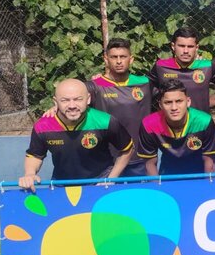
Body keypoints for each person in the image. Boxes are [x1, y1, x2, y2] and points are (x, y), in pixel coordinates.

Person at [43, 38, 151, 176]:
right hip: (107, 161)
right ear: (106, 59)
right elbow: (70, 95)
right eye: (114, 57)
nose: (119, 61)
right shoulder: (94, 86)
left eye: (123, 56)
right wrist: (56, 108)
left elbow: (171, 94)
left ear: (131, 59)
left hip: (138, 157)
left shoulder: (145, 83)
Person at [20, 79, 133, 191]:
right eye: (65, 100)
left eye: (78, 99)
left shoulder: (105, 121)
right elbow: (35, 155)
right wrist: (30, 173)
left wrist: (111, 179)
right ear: (55, 102)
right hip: (61, 184)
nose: (72, 105)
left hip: (101, 182)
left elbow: (127, 149)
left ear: (88, 99)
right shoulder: (42, 126)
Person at [137, 80, 215, 175]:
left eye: (179, 101)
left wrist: (207, 183)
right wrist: (157, 184)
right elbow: (149, 164)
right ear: (160, 105)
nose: (174, 108)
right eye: (168, 102)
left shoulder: (204, 122)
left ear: (188, 102)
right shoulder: (149, 125)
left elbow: (209, 161)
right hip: (168, 175)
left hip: (199, 174)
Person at [147, 26, 215, 113]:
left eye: (190, 46)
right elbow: (146, 90)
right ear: (173, 46)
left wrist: (206, 104)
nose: (185, 51)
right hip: (169, 120)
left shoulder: (207, 67)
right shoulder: (161, 67)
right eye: (181, 46)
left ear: (196, 48)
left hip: (199, 120)